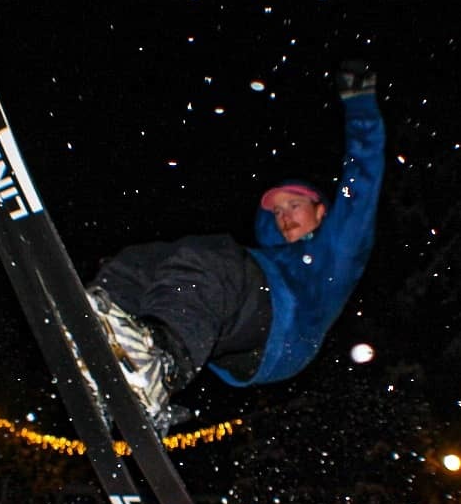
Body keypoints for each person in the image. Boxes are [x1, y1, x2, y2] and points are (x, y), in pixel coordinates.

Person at [87, 60, 385, 432]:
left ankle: (160, 362)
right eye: (277, 210)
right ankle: (103, 324)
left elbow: (361, 183)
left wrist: (361, 107)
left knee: (213, 259)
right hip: (241, 340)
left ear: (322, 211)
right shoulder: (267, 257)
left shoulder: (338, 248)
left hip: (284, 331)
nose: (285, 216)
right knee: (148, 259)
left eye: (295, 205)